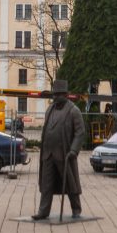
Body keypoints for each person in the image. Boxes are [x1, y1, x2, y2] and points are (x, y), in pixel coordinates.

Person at [32, 80, 84, 220]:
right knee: (46, 183)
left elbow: (80, 133)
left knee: (70, 182)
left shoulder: (74, 111)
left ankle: (76, 209)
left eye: (58, 95)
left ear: (65, 95)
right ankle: (43, 211)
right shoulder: (50, 109)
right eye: (54, 95)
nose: (54, 98)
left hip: (64, 153)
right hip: (48, 153)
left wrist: (73, 150)